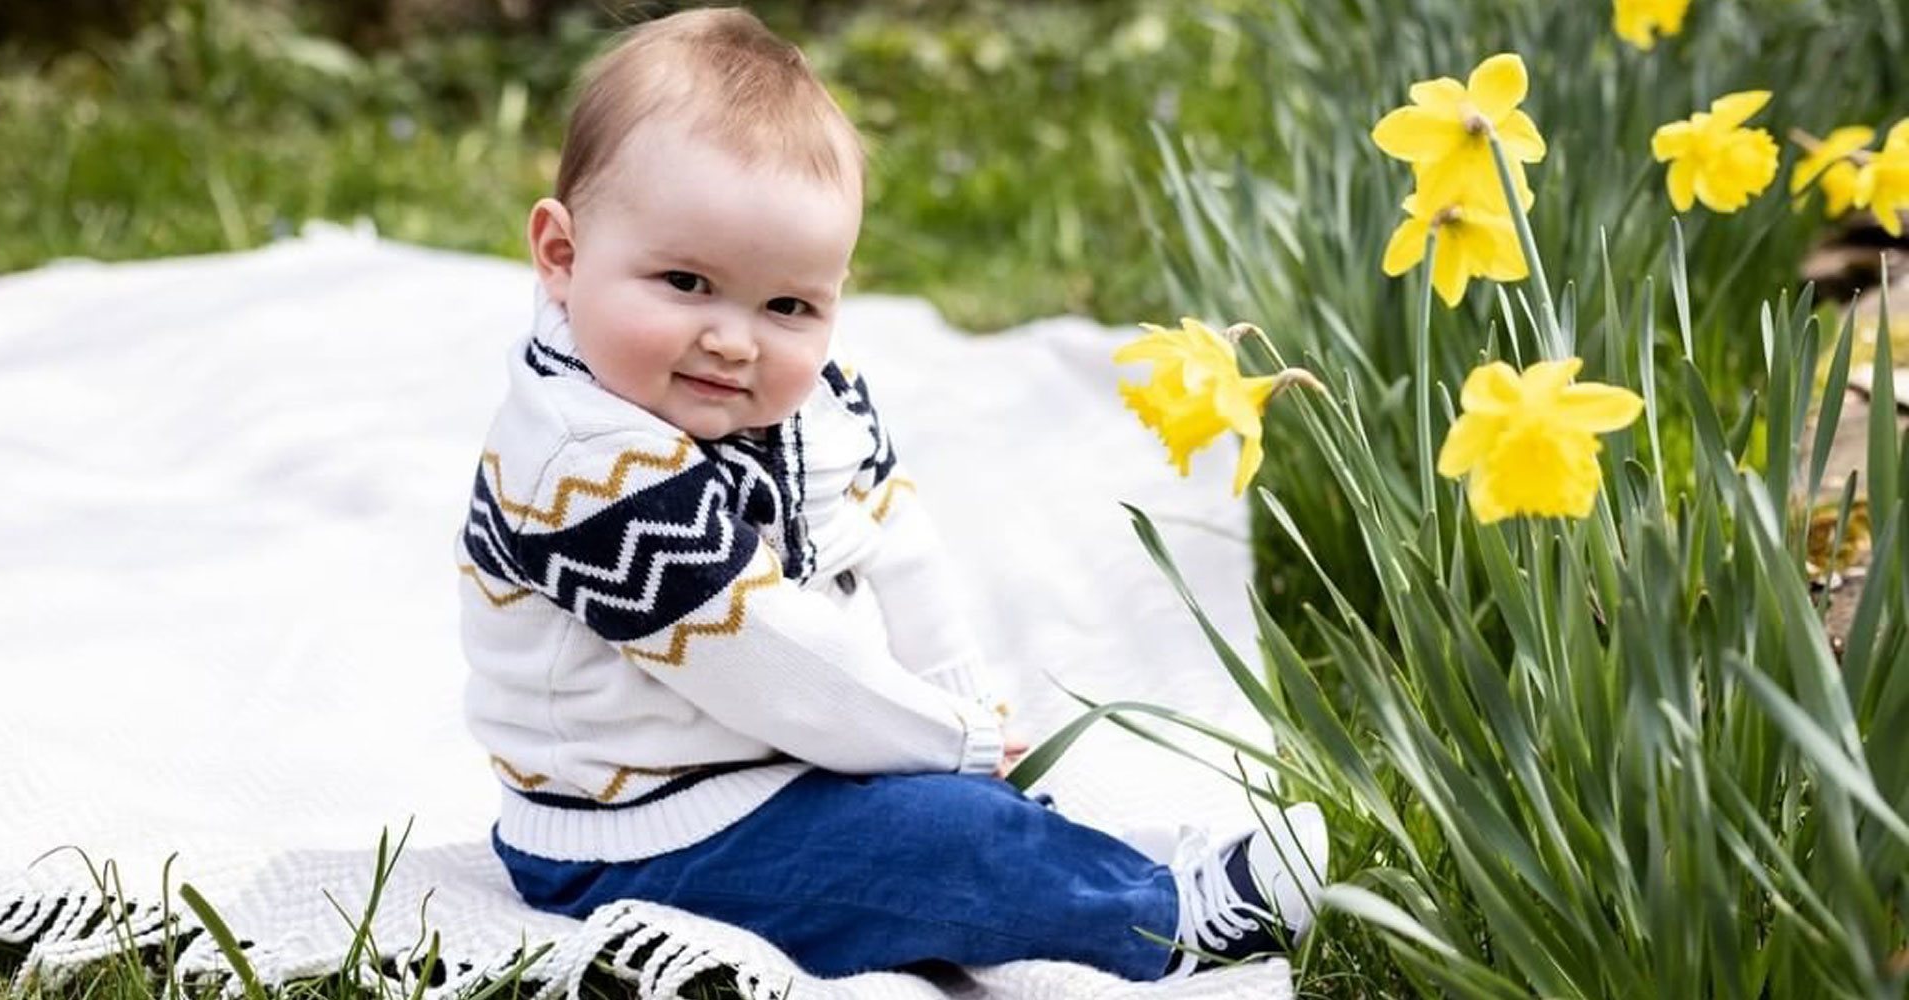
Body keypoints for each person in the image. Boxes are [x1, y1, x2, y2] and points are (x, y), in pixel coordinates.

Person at [454, 5, 1326, 981]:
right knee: (938, 848)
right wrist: (943, 740)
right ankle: (1167, 918)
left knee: (958, 813)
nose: (735, 338)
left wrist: (957, 700)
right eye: (685, 282)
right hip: (636, 830)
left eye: (787, 304)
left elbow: (891, 542)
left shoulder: (801, 403)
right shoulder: (579, 465)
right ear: (561, 256)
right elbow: (762, 653)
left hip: (772, 762)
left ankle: (1102, 860)